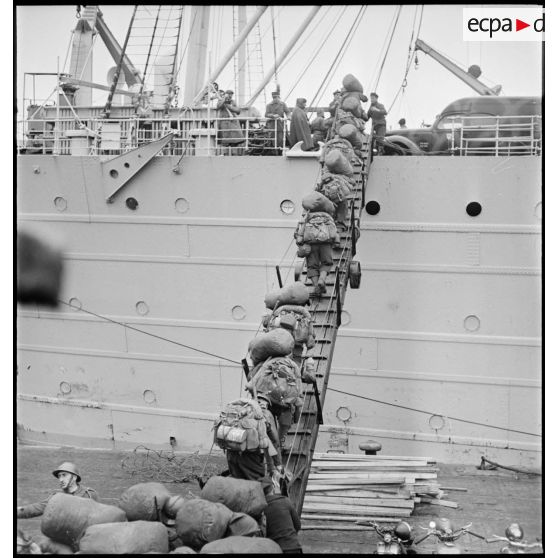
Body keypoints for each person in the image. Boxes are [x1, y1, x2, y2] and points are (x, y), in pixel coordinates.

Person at [226, 395, 283, 482]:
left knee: (236, 482)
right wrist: (278, 463)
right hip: (251, 457)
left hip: (231, 454)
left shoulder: (236, 410)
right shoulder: (264, 414)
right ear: (266, 403)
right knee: (257, 484)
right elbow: (274, 441)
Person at [17, 462, 98, 519]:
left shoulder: (89, 495)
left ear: (74, 477)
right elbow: (37, 508)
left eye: (64, 475)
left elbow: (99, 518)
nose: (61, 479)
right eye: (59, 476)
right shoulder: (56, 498)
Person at [260, 477, 303, 554]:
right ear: (273, 488)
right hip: (293, 547)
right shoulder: (285, 501)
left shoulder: (259, 509)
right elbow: (297, 526)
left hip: (274, 549)